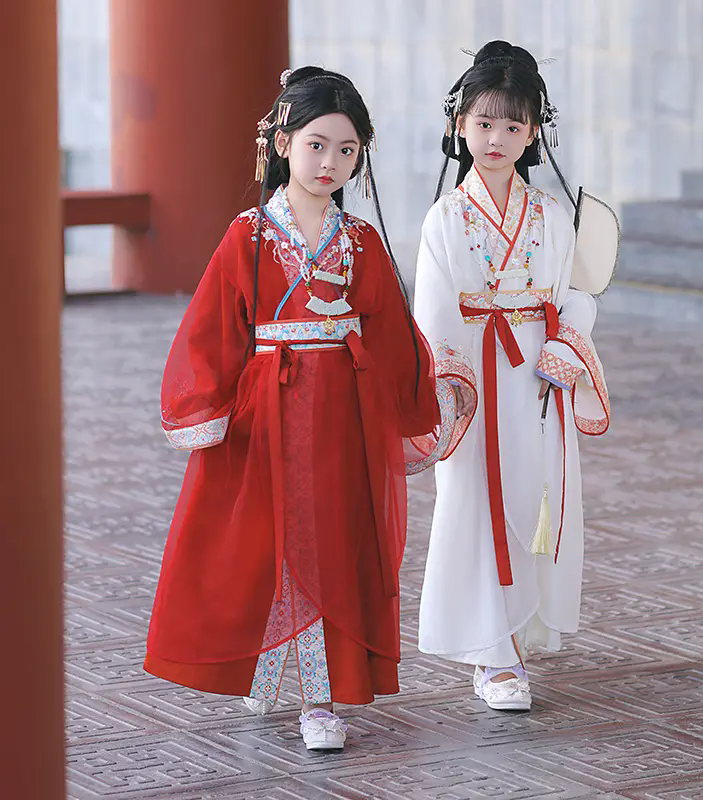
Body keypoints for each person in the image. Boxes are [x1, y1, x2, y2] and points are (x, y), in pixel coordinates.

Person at [145, 66, 443, 750]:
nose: (330, 162)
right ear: (281, 144)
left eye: (347, 149)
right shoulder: (247, 235)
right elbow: (212, 329)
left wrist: (417, 395)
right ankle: (277, 674)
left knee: (333, 542)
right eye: (316, 144)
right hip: (268, 414)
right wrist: (209, 407)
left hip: (342, 414)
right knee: (266, 545)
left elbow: (390, 331)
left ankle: (321, 698)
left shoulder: (361, 240)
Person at [414, 41, 610, 711]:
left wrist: (565, 346)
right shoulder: (444, 217)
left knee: (535, 494)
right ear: (460, 125)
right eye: (484, 123)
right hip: (473, 376)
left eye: (513, 125)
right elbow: (433, 313)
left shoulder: (552, 215)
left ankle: (519, 634)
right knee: (473, 499)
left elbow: (576, 293)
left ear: (532, 135)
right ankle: (491, 652)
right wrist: (451, 385)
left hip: (537, 375)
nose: (496, 139)